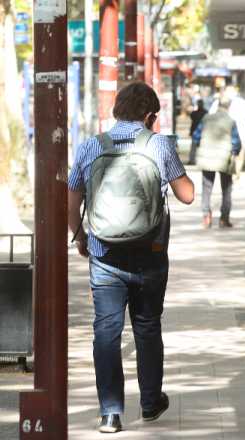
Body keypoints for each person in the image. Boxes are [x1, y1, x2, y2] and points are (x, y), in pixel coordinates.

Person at [67, 82, 195, 434]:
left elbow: (72, 198)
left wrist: (81, 238)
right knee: (147, 325)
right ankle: (151, 402)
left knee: (106, 330)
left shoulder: (92, 145)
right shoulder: (158, 144)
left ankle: (110, 412)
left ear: (117, 110)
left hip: (104, 253)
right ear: (150, 115)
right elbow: (188, 195)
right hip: (150, 254)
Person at [193, 94, 242, 228]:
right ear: (229, 106)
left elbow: (196, 136)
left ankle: (206, 216)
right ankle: (224, 218)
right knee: (226, 189)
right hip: (224, 159)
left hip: (207, 158)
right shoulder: (231, 121)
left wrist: (201, 147)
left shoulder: (206, 118)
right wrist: (235, 153)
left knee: (206, 188)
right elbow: (236, 142)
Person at [187, 100, 207, 165]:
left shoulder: (195, 113)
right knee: (197, 147)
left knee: (194, 147)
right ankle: (194, 160)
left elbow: (191, 117)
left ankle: (192, 160)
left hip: (197, 131)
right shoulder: (205, 113)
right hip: (200, 131)